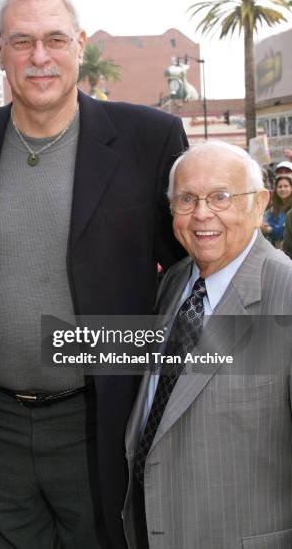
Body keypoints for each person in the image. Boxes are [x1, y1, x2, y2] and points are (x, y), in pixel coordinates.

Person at [0, 0, 187, 549]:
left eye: (54, 39)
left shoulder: (149, 139)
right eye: (21, 41)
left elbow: (189, 275)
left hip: (102, 424)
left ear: (78, 43)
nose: (39, 57)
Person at [123, 141, 292, 549]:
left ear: (260, 203)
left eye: (221, 197)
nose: (202, 213)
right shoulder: (176, 282)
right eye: (186, 199)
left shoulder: (284, 293)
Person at [262, 175, 292, 247]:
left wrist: (269, 229)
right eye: (280, 187)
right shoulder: (273, 207)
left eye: (286, 186)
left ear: (291, 188)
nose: (282, 189)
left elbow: (284, 233)